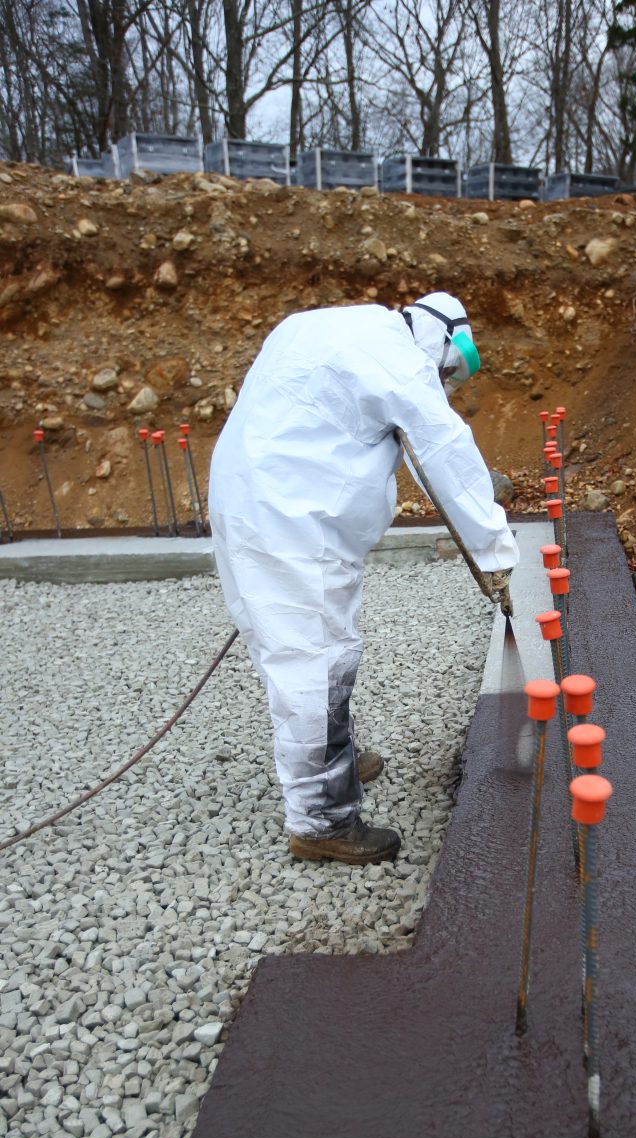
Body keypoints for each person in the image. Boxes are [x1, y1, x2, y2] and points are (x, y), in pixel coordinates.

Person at [208, 292, 517, 866]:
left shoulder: (338, 330)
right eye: (447, 371)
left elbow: (414, 452)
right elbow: (443, 448)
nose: (444, 383)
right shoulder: (396, 357)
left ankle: (336, 762)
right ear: (437, 338)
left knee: (312, 652)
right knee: (314, 663)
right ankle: (321, 821)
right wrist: (496, 554)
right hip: (291, 520)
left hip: (258, 505)